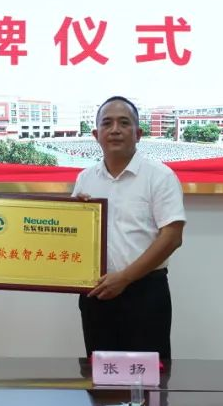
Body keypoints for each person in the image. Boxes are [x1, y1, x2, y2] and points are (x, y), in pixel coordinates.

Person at [73, 96, 186, 361]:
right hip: (96, 292)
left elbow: (172, 237)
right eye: (107, 123)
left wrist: (124, 278)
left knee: (147, 376)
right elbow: (75, 236)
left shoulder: (160, 176)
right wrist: (75, 217)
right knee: (102, 373)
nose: (115, 130)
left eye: (124, 123)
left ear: (138, 133)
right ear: (96, 135)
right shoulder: (85, 179)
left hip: (145, 292)